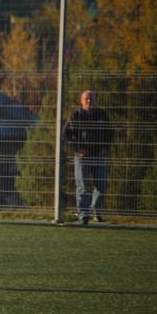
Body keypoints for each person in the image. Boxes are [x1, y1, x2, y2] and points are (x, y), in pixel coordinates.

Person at [64, 90, 114, 225]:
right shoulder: (76, 115)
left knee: (102, 184)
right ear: (81, 101)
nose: (89, 101)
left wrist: (106, 148)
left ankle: (96, 211)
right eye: (86, 98)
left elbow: (110, 133)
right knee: (83, 186)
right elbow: (66, 134)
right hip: (83, 157)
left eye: (91, 98)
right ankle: (84, 215)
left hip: (99, 157)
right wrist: (76, 148)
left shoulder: (102, 115)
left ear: (95, 100)